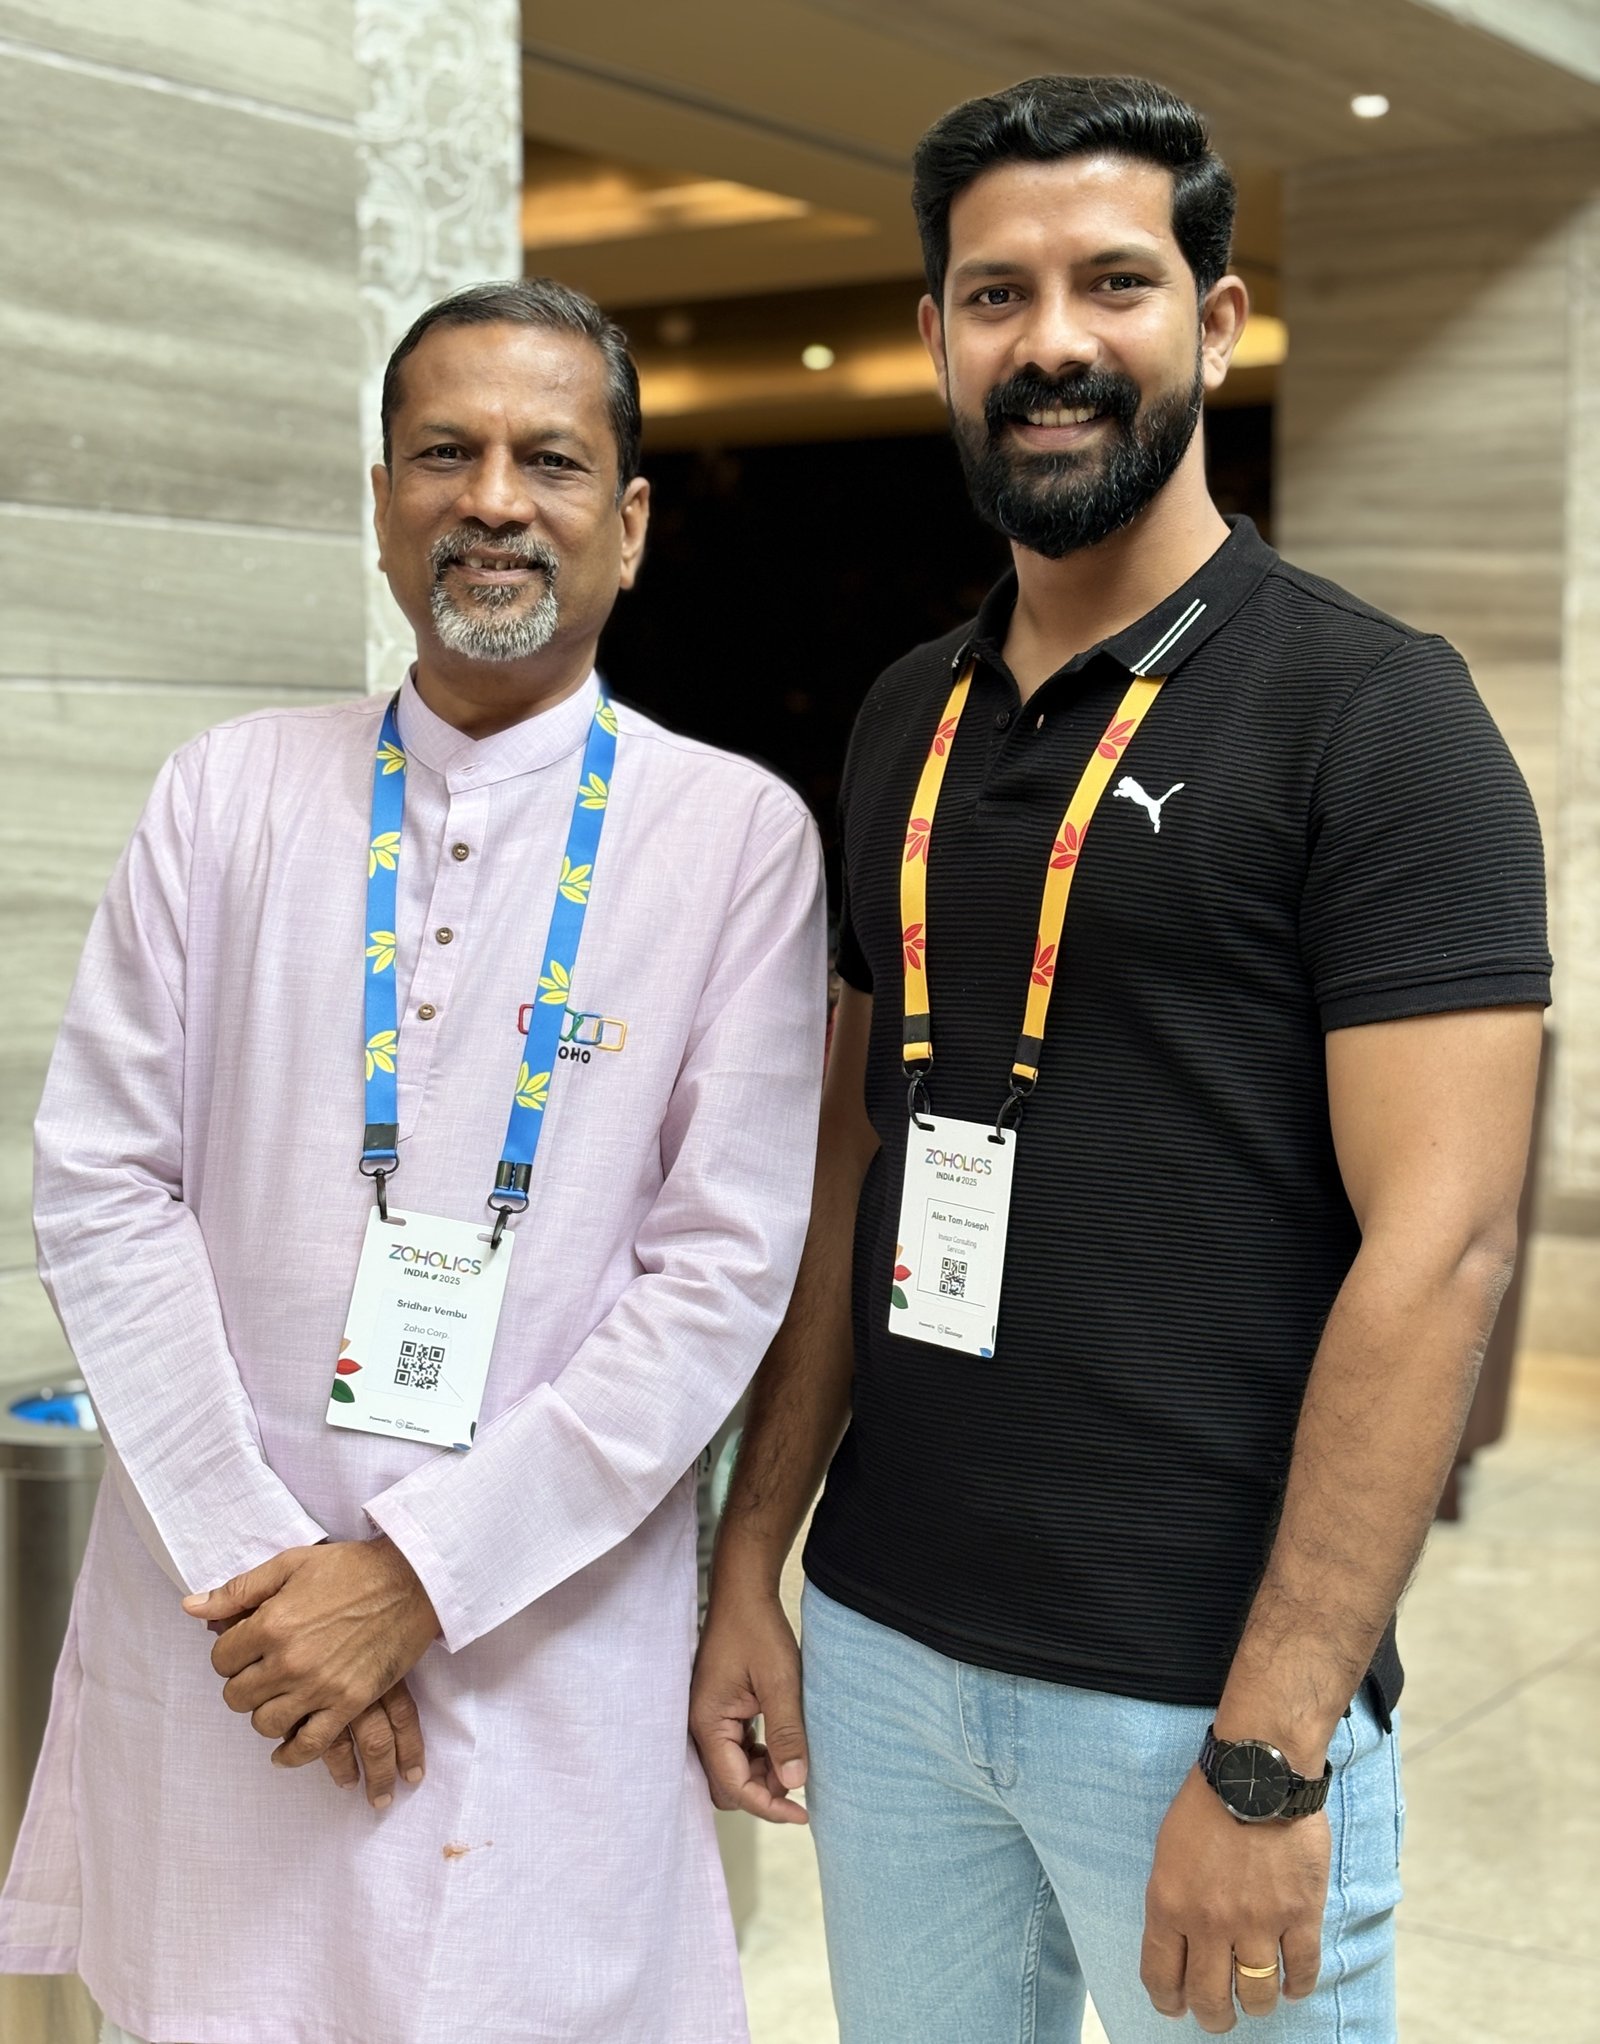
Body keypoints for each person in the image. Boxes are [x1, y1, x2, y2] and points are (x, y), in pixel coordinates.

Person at [691, 74, 1549, 2043]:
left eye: (1113, 282)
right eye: (996, 295)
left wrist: (1269, 1748)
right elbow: (855, 1162)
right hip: (886, 1650)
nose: (1051, 340)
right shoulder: (901, 718)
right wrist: (753, 1559)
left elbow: (1440, 1250)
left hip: (1192, 1692)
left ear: (1216, 322)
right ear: (934, 336)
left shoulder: (1371, 712)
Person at [1, 278, 826, 2044]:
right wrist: (267, 1580)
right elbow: (102, 1183)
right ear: (382, 503)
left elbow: (722, 1271)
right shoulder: (225, 794)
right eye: (445, 454)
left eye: (551, 459)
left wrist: (417, 1580)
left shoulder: (734, 837)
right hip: (230, 1643)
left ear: (631, 523)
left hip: (536, 1634)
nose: (494, 499)